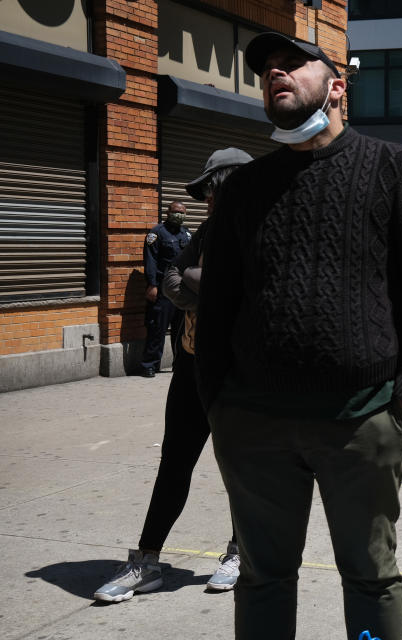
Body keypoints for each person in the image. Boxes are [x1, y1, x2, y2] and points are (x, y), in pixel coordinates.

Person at [195, 32, 402, 640]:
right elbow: (217, 305)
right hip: (254, 423)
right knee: (262, 577)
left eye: (292, 65)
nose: (276, 75)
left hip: (361, 420)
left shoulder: (393, 168)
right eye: (267, 71)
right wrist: (218, 405)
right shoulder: (243, 189)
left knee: (370, 575)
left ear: (337, 87)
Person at [93, 148, 253, 603]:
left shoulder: (265, 231)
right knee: (174, 464)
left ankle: (242, 551)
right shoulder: (204, 232)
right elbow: (171, 280)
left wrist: (204, 282)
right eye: (205, 194)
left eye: (213, 191)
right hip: (190, 362)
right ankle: (146, 560)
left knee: (241, 469)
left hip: (240, 373)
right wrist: (212, 284)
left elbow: (251, 290)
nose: (208, 200)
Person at [140, 201, 191, 377]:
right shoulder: (156, 233)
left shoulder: (186, 234)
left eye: (183, 212)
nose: (180, 215)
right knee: (157, 329)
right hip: (162, 289)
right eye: (176, 212)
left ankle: (180, 364)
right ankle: (149, 365)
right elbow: (151, 261)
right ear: (168, 212)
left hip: (181, 289)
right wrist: (152, 284)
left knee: (181, 330)